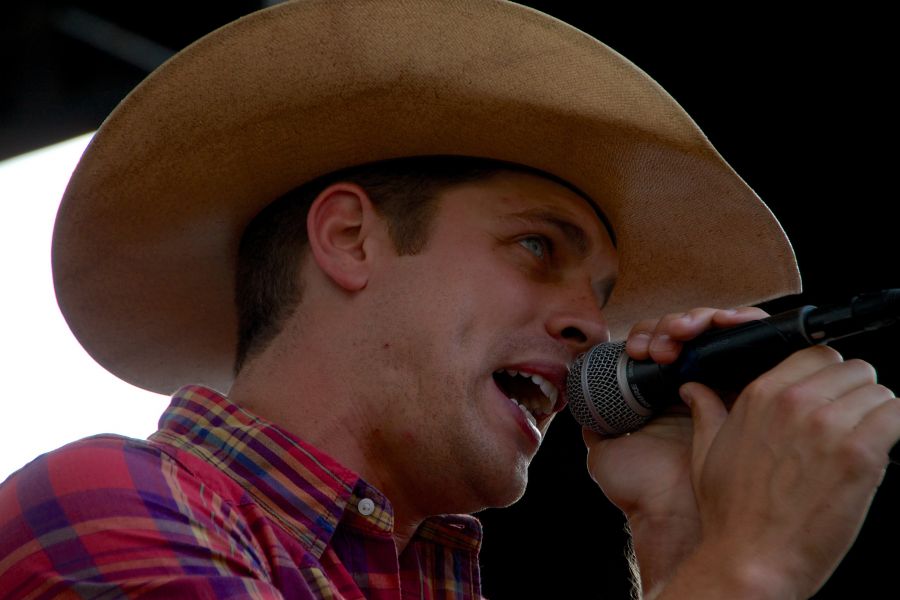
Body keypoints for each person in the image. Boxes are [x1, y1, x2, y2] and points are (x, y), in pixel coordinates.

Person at [1, 1, 897, 598]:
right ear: (351, 239)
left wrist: (678, 540)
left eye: (605, 297)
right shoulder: (100, 501)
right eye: (537, 245)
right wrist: (749, 567)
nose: (593, 326)